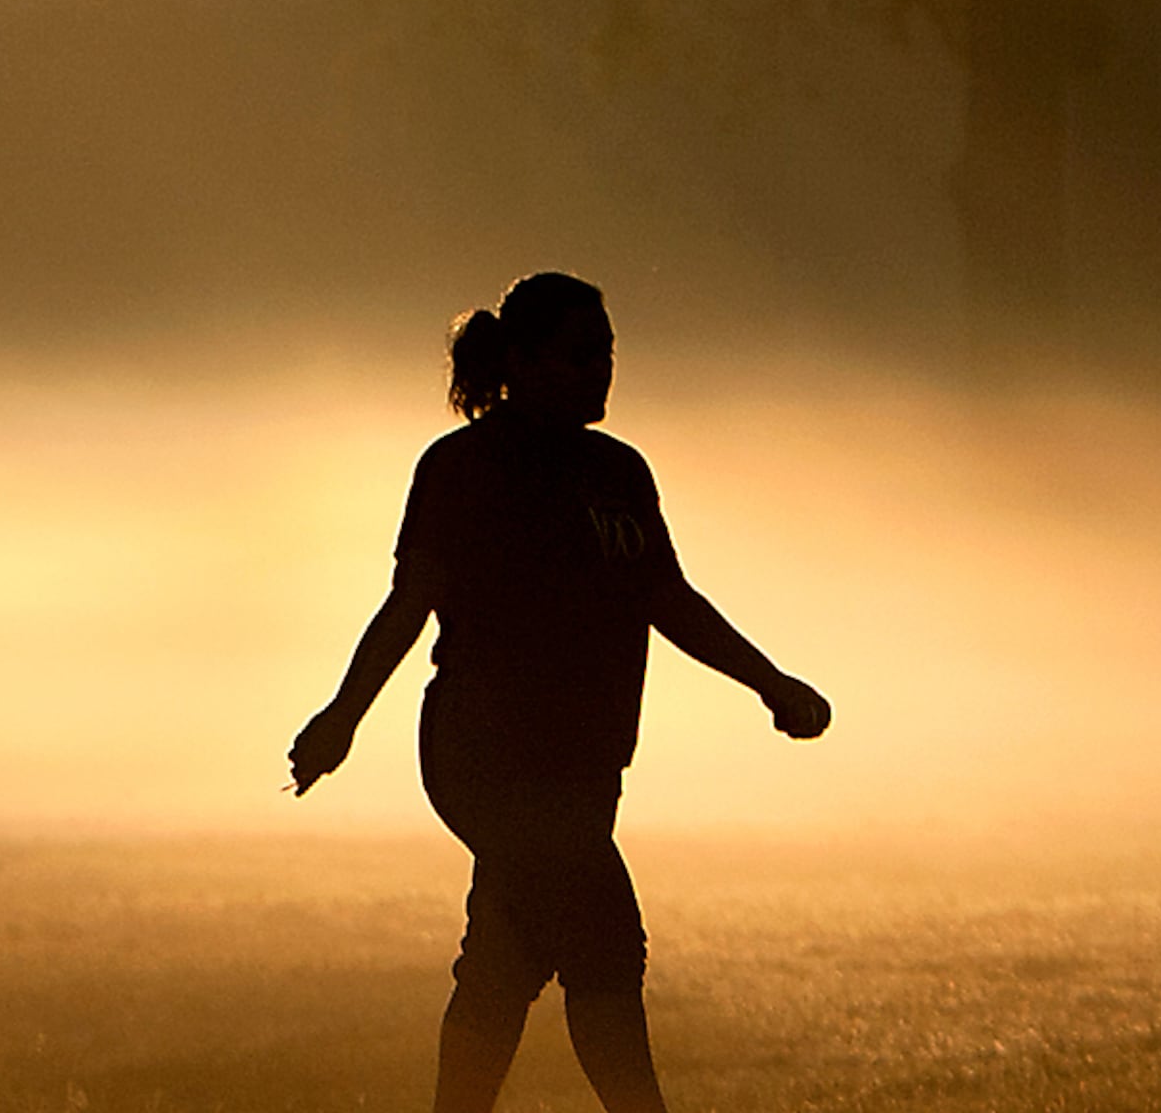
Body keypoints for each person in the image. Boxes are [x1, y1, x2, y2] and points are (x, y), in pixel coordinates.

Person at [286, 272, 829, 1113]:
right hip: (486, 751)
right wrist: (341, 719)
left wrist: (771, 683)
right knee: (606, 938)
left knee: (509, 950)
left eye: (607, 354)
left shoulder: (618, 472)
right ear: (523, 363)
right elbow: (410, 604)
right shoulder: (465, 468)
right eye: (580, 355)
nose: (601, 372)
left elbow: (667, 599)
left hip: (586, 761)